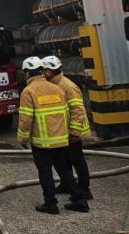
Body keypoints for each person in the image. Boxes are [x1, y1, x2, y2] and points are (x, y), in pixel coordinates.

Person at [17, 57, 89, 214]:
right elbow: (66, 114)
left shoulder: (28, 92)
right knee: (65, 171)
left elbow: (25, 119)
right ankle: (80, 200)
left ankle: (50, 203)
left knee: (45, 172)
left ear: (28, 73)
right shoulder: (57, 89)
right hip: (61, 140)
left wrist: (22, 138)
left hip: (41, 142)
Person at [42, 55, 92, 200]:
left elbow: (77, 110)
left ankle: (85, 189)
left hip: (73, 130)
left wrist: (74, 132)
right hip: (64, 130)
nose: (42, 74)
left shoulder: (67, 86)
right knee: (65, 160)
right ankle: (67, 184)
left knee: (78, 160)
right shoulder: (55, 84)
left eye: (44, 70)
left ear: (50, 71)